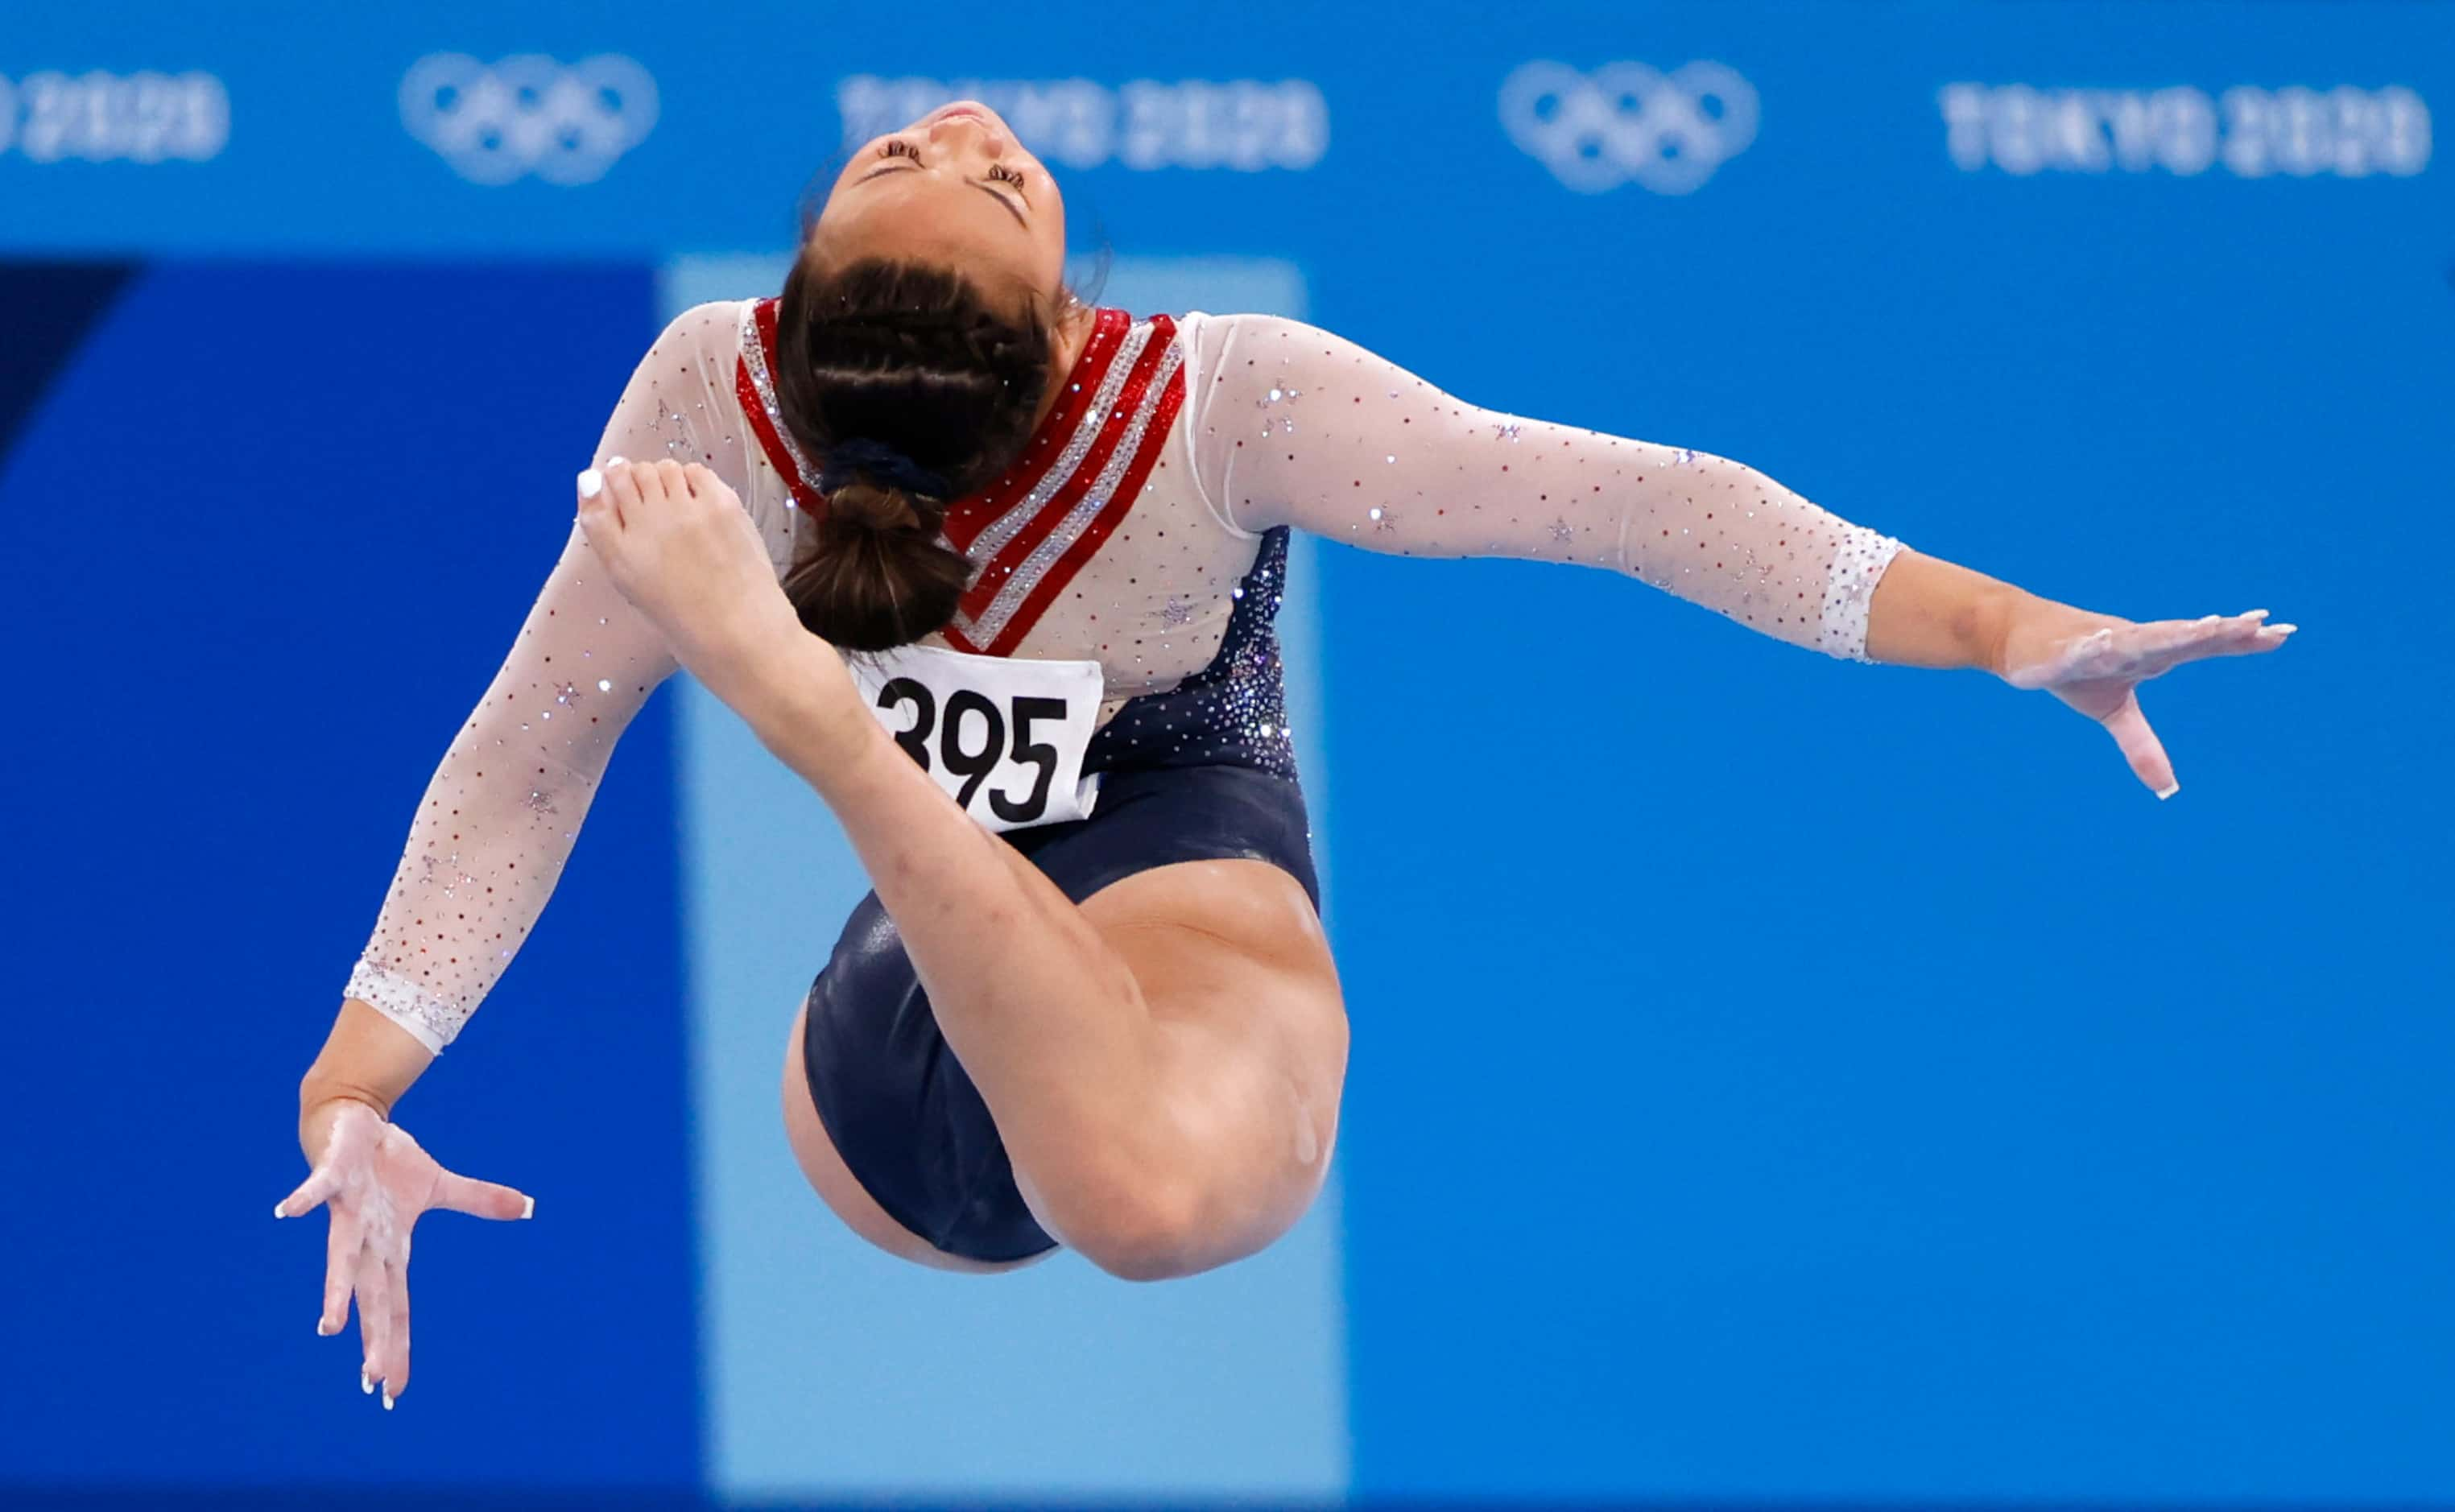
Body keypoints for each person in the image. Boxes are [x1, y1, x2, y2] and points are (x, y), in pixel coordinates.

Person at [275, 100, 2295, 1407]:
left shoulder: (1165, 407)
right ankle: (844, 754)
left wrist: (2007, 629)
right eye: (936, 167)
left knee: (1157, 1197)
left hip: (1171, 897)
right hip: (905, 1060)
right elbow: (527, 750)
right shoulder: (769, 393)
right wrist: (358, 1085)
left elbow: (1633, 505)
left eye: (951, 165)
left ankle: (831, 743)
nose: (961, 130)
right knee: (1110, 1157)